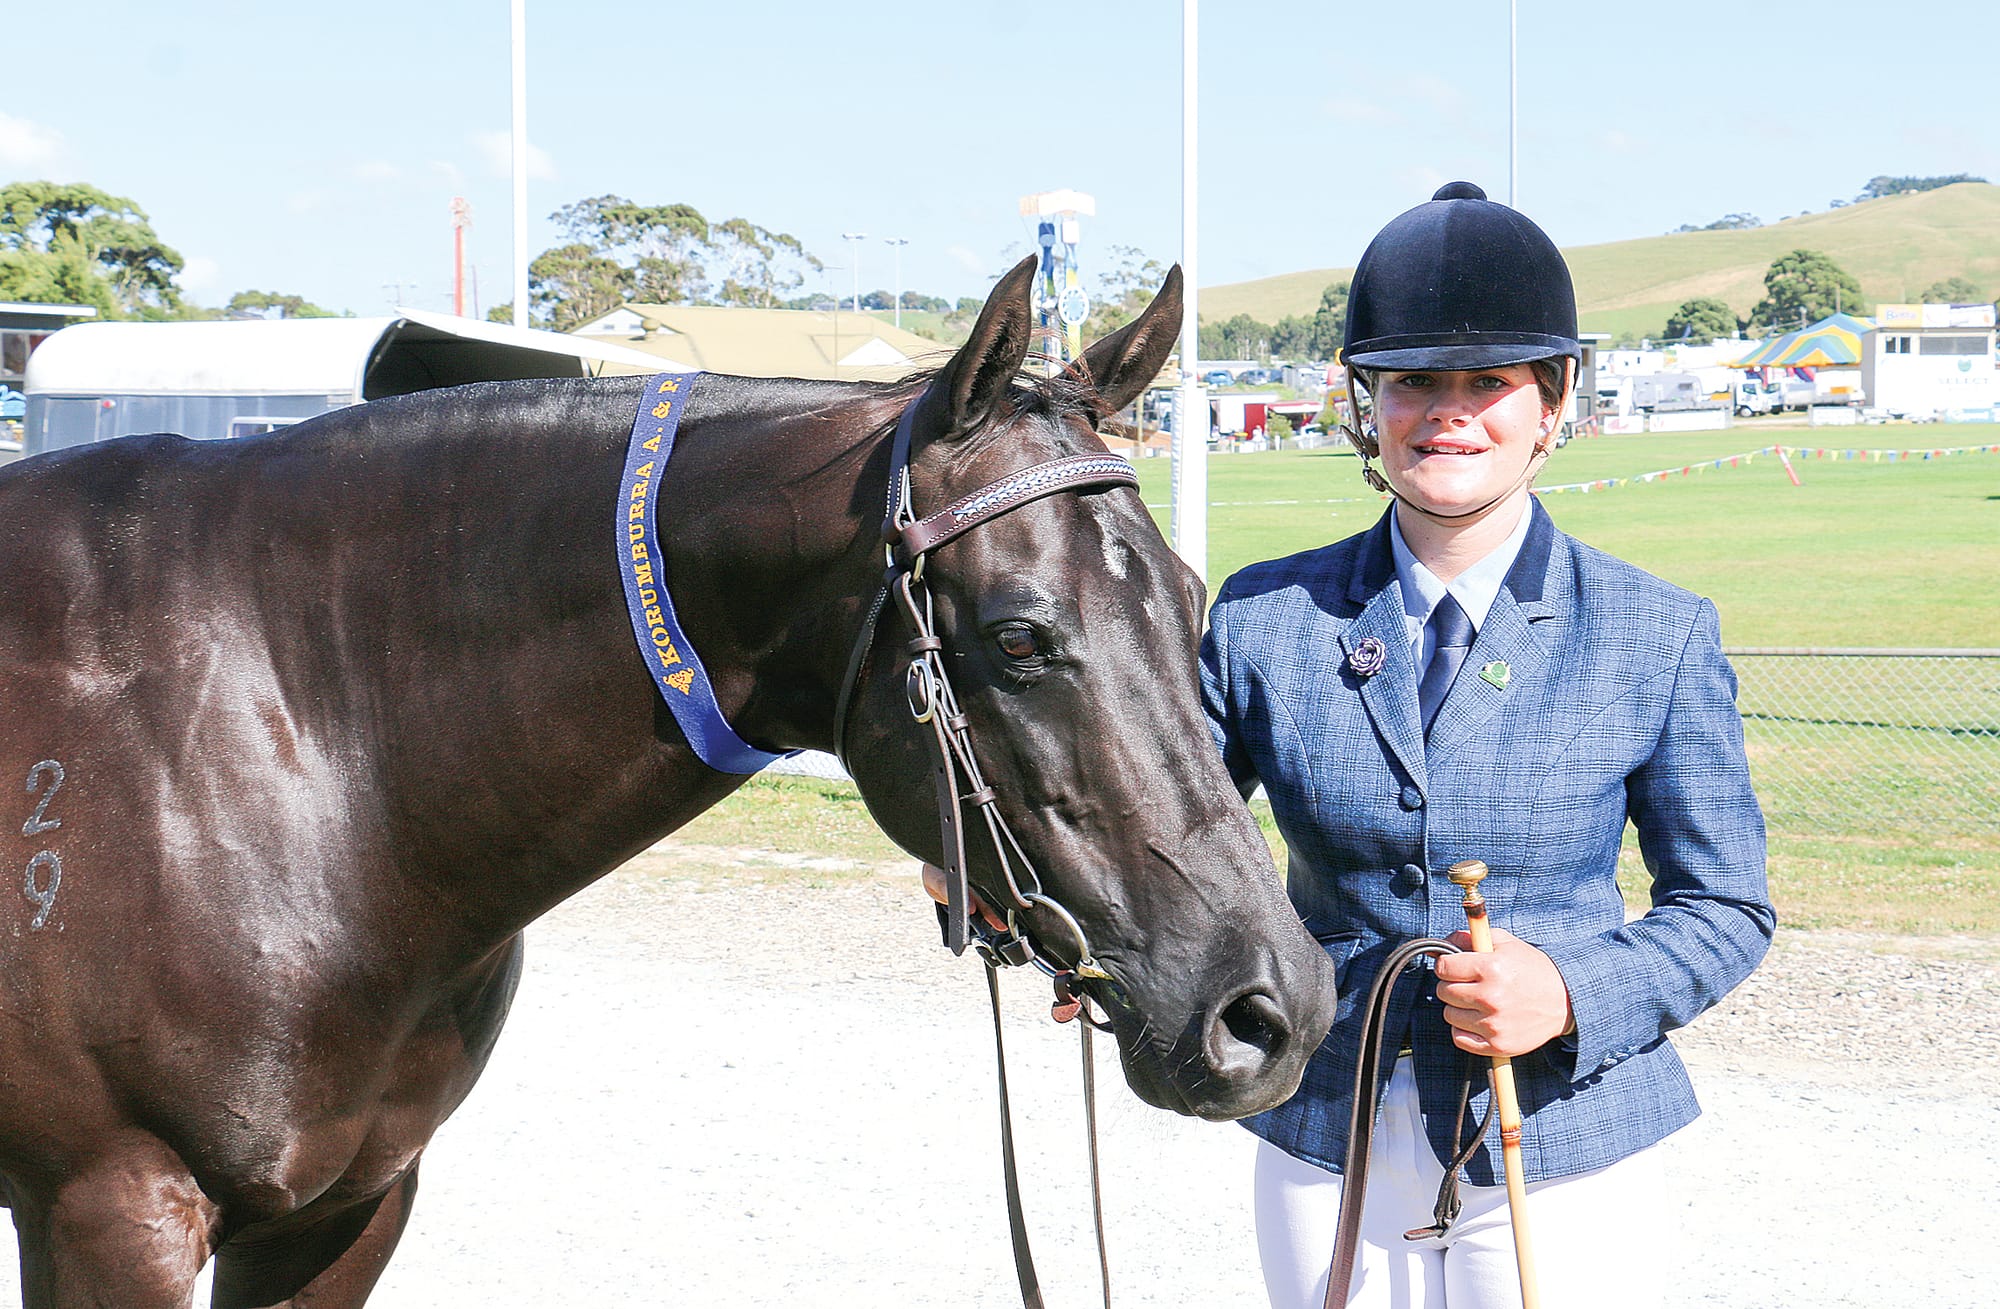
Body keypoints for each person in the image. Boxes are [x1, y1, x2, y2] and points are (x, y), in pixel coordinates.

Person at [1199, 181, 1775, 1309]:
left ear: (1552, 404)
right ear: (1367, 402)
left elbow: (1725, 906)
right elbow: (1157, 841)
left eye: (1488, 383)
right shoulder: (1263, 614)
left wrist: (1567, 989)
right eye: (1412, 380)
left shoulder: (1654, 630)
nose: (1446, 412)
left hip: (1563, 1136)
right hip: (1325, 1128)